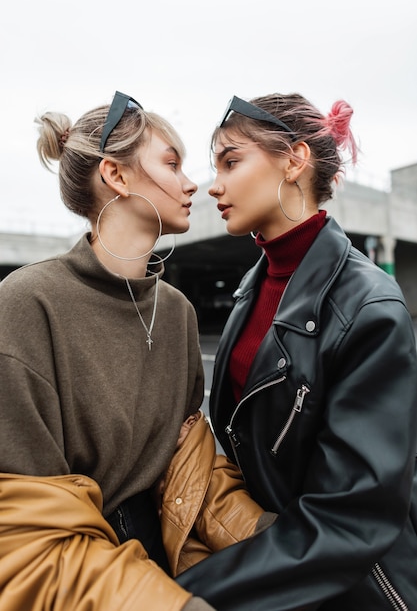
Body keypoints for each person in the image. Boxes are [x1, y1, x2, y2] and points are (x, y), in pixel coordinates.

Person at [176, 93, 417, 609]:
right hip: (275, 563)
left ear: (295, 160)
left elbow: (351, 517)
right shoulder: (251, 287)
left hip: (358, 588)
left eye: (231, 161)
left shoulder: (370, 306)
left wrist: (189, 594)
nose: (213, 184)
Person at [0, 90, 212, 610]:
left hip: (171, 559)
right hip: (78, 578)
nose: (191, 184)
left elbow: (185, 473)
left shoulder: (180, 311)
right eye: (171, 163)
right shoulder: (27, 302)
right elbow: (28, 531)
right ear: (115, 176)